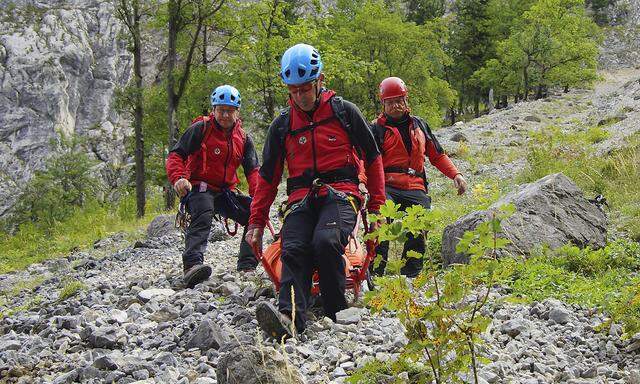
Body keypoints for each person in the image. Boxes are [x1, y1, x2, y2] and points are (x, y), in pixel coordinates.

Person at [245, 43, 386, 339]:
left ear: (320, 81)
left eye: (305, 89)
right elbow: (268, 179)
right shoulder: (282, 125)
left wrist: (378, 210)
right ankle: (290, 316)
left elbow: (373, 160)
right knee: (293, 248)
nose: (300, 97)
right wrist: (256, 221)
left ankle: (337, 310)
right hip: (300, 200)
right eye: (294, 91)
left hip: (342, 192)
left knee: (326, 240)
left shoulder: (345, 112)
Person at [371, 77, 467, 277]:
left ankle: (411, 274)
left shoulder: (420, 125)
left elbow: (437, 155)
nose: (395, 105)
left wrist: (455, 174)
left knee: (419, 223)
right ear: (383, 104)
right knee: (380, 223)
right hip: (386, 186)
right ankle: (375, 273)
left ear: (406, 101)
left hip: (415, 185)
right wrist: (364, 185)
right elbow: (366, 161)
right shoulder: (376, 129)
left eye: (399, 100)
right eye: (390, 102)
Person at [166, 85, 260, 288]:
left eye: (229, 110)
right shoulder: (201, 129)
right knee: (204, 211)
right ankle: (192, 265)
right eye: (220, 110)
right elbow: (176, 155)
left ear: (237, 111)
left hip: (225, 192)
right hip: (200, 187)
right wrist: (179, 178)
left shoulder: (243, 139)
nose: (225, 115)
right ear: (214, 109)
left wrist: (260, 197)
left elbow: (253, 171)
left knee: (254, 214)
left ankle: (247, 265)